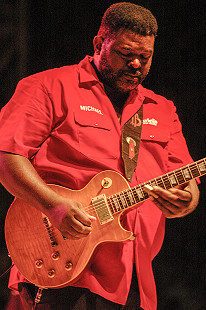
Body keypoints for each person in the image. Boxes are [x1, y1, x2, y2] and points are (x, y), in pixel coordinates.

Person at [0, 2, 200, 310]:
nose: (135, 64)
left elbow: (188, 184)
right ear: (99, 43)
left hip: (135, 278)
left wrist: (185, 203)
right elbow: (6, 157)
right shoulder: (48, 86)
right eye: (126, 53)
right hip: (63, 270)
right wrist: (52, 206)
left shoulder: (163, 109)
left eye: (144, 57)